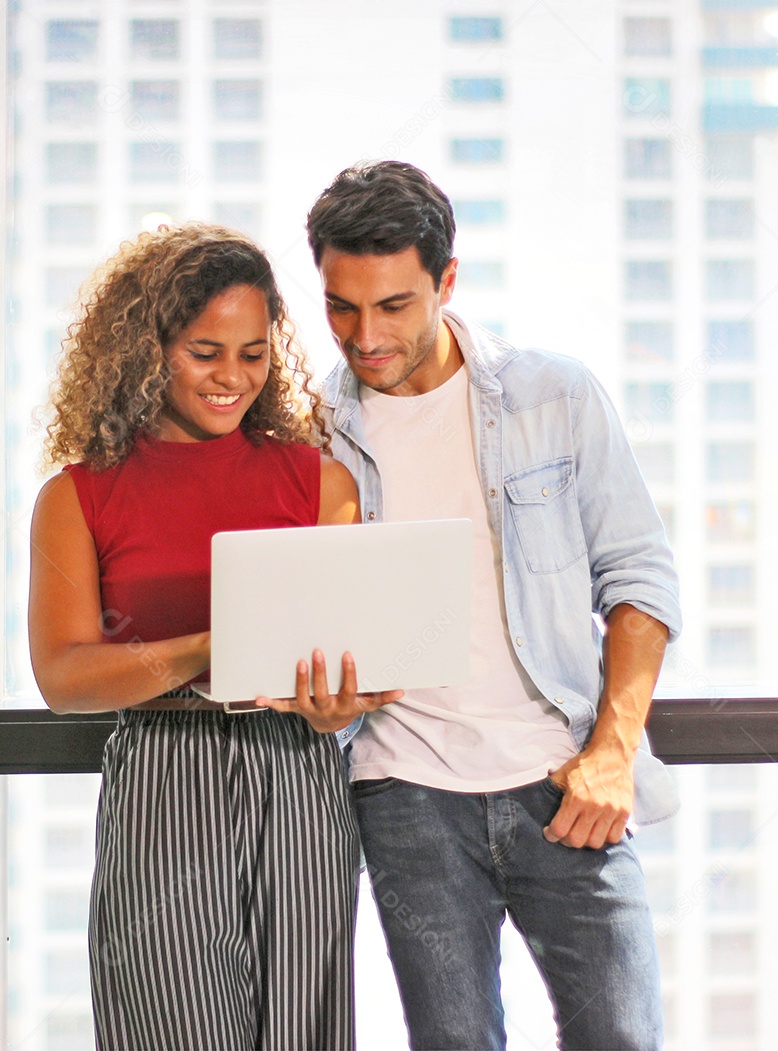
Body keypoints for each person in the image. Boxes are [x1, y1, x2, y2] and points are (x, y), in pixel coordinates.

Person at [302, 160, 682, 1051]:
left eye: (394, 304)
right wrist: (324, 704)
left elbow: (639, 578)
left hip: (565, 778)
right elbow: (308, 616)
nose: (365, 336)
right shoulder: (311, 427)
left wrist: (612, 753)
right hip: (406, 793)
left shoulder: (554, 396)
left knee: (622, 1038)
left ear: (447, 281)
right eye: (341, 307)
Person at [28, 222, 400, 1050]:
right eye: (205, 352)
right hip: (164, 769)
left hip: (298, 773)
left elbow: (339, 669)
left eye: (253, 353)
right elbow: (63, 676)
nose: (233, 376)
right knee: (173, 1022)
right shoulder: (77, 496)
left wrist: (339, 706)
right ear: (148, 350)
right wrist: (209, 645)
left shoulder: (320, 481)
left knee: (305, 1027)